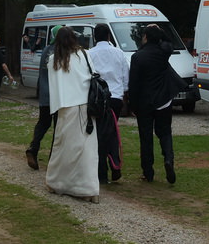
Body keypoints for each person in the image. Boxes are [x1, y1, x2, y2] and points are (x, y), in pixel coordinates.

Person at [46, 26, 100, 203]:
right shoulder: (85, 55)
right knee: (87, 149)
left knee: (64, 147)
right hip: (86, 106)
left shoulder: (54, 60)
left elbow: (55, 84)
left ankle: (58, 182)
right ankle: (88, 188)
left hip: (65, 108)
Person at [128, 24, 179, 184]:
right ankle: (168, 159)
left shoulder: (138, 57)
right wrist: (159, 31)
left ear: (145, 37)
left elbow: (134, 84)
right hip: (163, 99)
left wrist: (132, 105)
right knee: (165, 132)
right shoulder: (163, 52)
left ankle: (148, 171)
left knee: (146, 136)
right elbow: (169, 41)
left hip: (145, 101)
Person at [87, 24, 129, 183]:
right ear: (109, 36)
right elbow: (126, 75)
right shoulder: (119, 53)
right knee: (111, 131)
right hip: (115, 98)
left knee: (99, 135)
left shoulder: (90, 54)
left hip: (98, 99)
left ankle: (102, 170)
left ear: (95, 37)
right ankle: (114, 163)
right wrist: (123, 92)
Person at [26, 27, 58, 170]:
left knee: (43, 124)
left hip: (45, 94)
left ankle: (33, 149)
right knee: (59, 128)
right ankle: (54, 158)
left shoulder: (46, 50)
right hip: (58, 96)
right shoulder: (61, 51)